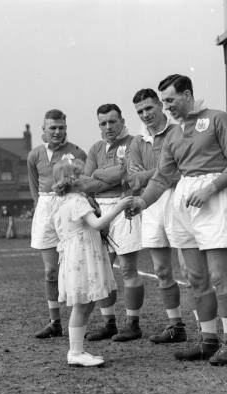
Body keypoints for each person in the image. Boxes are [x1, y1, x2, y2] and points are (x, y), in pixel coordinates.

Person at [130, 74, 227, 365]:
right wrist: (142, 201)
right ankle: (208, 340)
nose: (165, 106)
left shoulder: (218, 119)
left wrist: (211, 188)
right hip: (184, 200)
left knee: (220, 275)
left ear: (187, 94)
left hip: (214, 198)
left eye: (170, 100)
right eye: (163, 101)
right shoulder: (173, 134)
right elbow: (163, 176)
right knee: (195, 277)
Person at [27, 109, 110, 339]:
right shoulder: (34, 155)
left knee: (80, 263)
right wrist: (41, 208)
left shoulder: (76, 152)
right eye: (52, 128)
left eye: (61, 127)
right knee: (51, 270)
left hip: (71, 205)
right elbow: (34, 186)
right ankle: (55, 322)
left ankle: (86, 320)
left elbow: (84, 181)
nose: (57, 132)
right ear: (43, 130)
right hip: (46, 208)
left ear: (66, 128)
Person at [51, 157, 133, 367]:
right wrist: (120, 207)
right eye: (80, 174)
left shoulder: (61, 202)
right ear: (73, 179)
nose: (86, 177)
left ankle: (77, 349)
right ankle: (75, 352)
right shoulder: (77, 201)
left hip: (75, 256)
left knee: (86, 304)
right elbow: (97, 224)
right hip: (82, 257)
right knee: (81, 306)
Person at [126, 88, 187, 344]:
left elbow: (180, 172)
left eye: (149, 108)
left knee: (191, 268)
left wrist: (147, 173)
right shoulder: (137, 142)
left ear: (160, 106)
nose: (145, 114)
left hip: (178, 200)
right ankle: (176, 325)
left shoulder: (178, 132)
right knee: (162, 269)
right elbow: (133, 180)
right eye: (140, 111)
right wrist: (157, 172)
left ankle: (208, 330)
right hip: (150, 205)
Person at [82, 104, 145, 342]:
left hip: (125, 206)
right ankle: (109, 323)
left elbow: (130, 176)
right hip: (100, 211)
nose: (108, 127)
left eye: (112, 121)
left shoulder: (134, 143)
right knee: (102, 269)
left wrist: (100, 175)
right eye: (103, 123)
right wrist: (111, 174)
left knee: (128, 268)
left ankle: (133, 324)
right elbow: (85, 184)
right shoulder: (96, 148)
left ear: (121, 120)